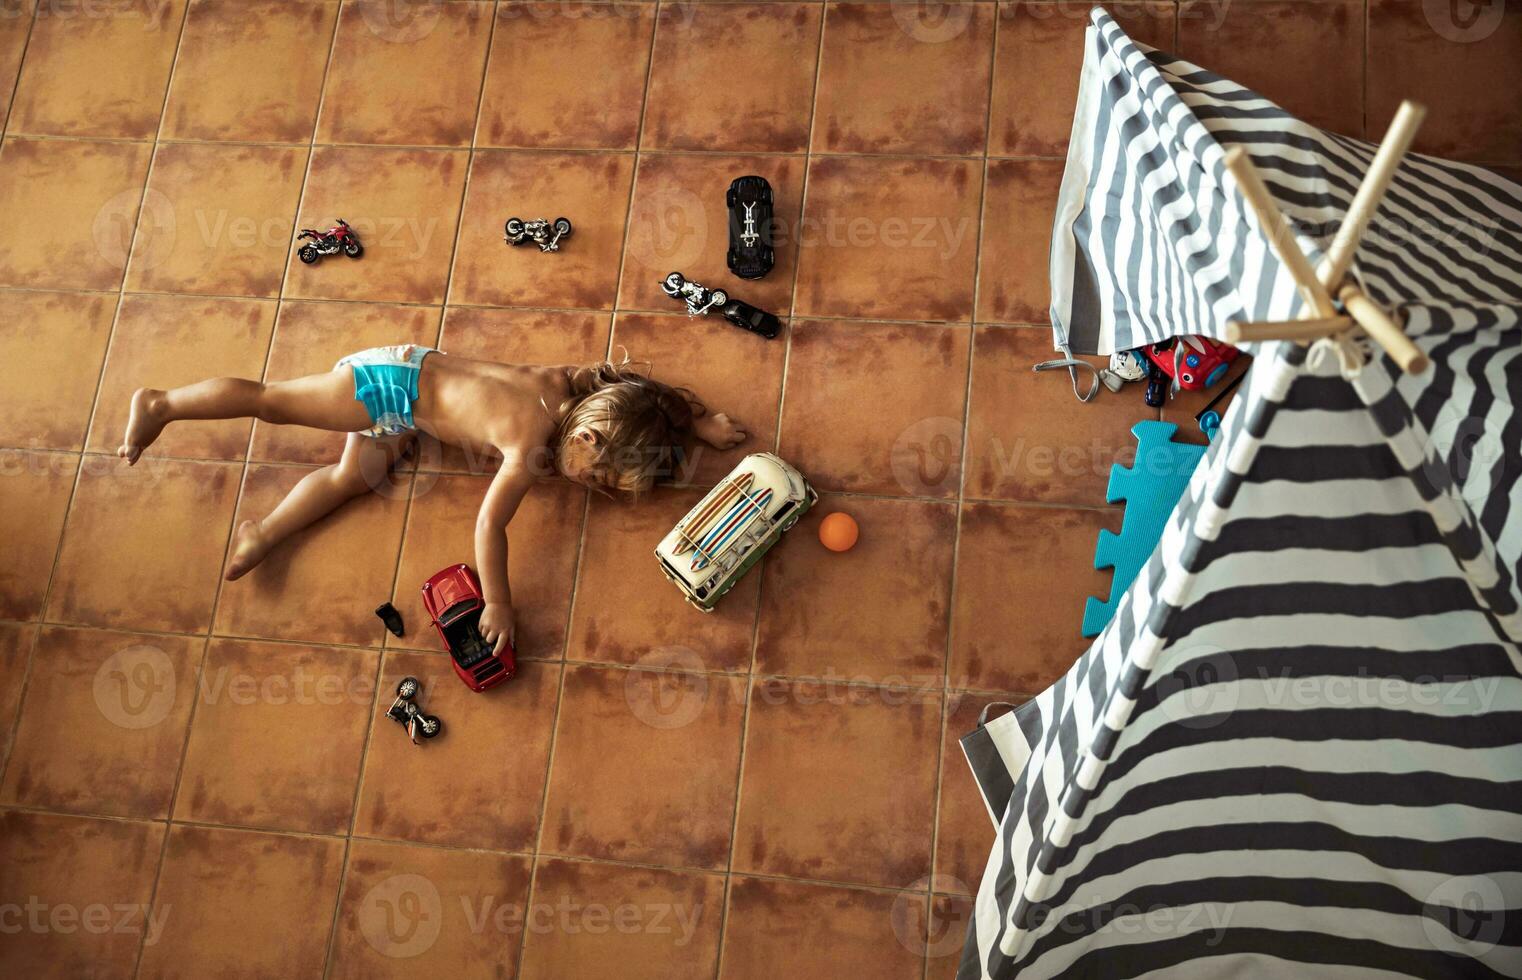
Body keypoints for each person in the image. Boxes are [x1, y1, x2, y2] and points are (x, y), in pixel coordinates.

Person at [118, 344, 747, 653]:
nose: (597, 488)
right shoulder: (530, 443)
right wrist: (497, 602)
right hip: (386, 382)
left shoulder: (580, 386)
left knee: (351, 480)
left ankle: (264, 534)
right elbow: (489, 528)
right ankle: (163, 404)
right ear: (582, 435)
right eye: (601, 475)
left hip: (407, 415)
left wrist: (697, 423)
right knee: (271, 401)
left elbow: (646, 393)